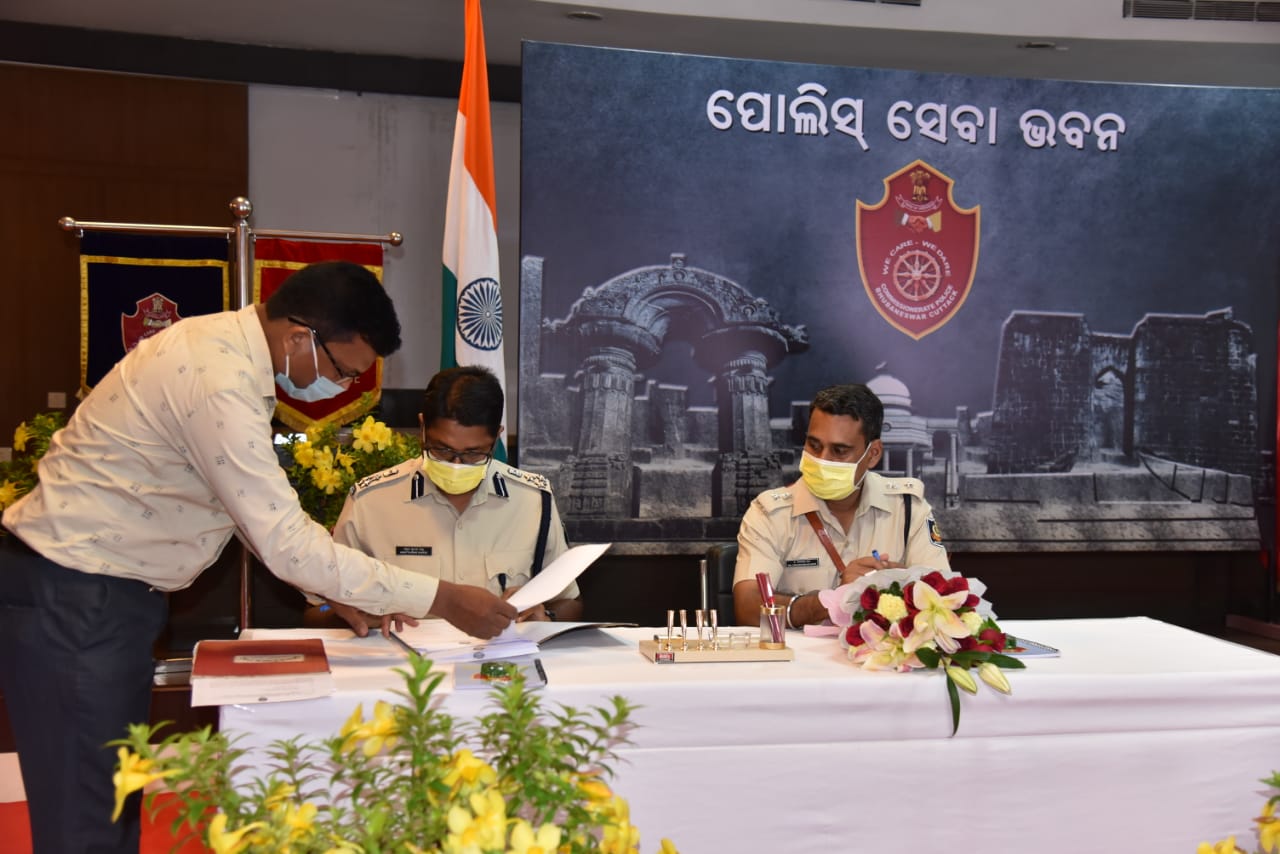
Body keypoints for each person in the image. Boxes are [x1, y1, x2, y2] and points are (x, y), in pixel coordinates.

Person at [0, 261, 516, 854]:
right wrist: (443, 598)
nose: (342, 387)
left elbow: (241, 510)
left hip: (96, 598)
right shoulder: (217, 378)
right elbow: (284, 540)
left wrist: (332, 592)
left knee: (111, 804)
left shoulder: (223, 354)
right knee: (86, 819)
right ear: (299, 338)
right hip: (77, 601)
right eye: (343, 371)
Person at [327, 366, 583, 625]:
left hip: (502, 651)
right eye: (441, 450)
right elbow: (320, 609)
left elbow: (570, 602)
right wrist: (362, 616)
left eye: (473, 453)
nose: (456, 464)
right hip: (404, 652)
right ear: (422, 427)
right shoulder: (371, 502)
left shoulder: (532, 500)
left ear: (496, 438)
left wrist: (546, 616)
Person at [732, 382, 950, 627]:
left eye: (839, 450)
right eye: (814, 445)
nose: (822, 460)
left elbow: (943, 598)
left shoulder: (909, 508)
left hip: (882, 651)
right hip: (799, 652)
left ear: (873, 454)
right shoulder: (770, 513)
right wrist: (834, 600)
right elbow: (747, 607)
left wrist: (895, 586)